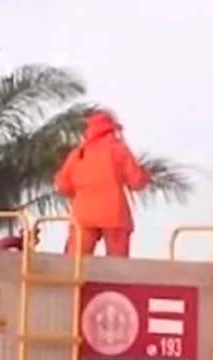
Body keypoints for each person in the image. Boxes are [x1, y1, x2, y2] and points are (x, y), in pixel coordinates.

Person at [53, 110, 151, 257]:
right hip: (114, 213)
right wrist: (146, 175)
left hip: (83, 213)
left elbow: (63, 186)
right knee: (117, 266)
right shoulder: (118, 150)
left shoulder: (78, 154)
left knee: (74, 265)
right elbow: (136, 182)